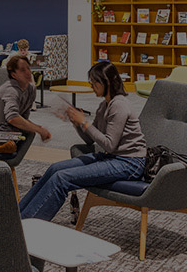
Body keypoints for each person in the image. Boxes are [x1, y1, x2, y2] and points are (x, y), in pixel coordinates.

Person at [18, 60, 147, 221]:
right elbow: (88, 140)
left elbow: (110, 145)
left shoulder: (119, 105)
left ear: (107, 82)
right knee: (54, 168)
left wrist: (84, 122)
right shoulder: (104, 105)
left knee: (62, 178)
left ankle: (28, 225)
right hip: (113, 157)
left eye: (94, 82)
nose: (92, 85)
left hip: (130, 162)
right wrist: (77, 122)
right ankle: (17, 216)